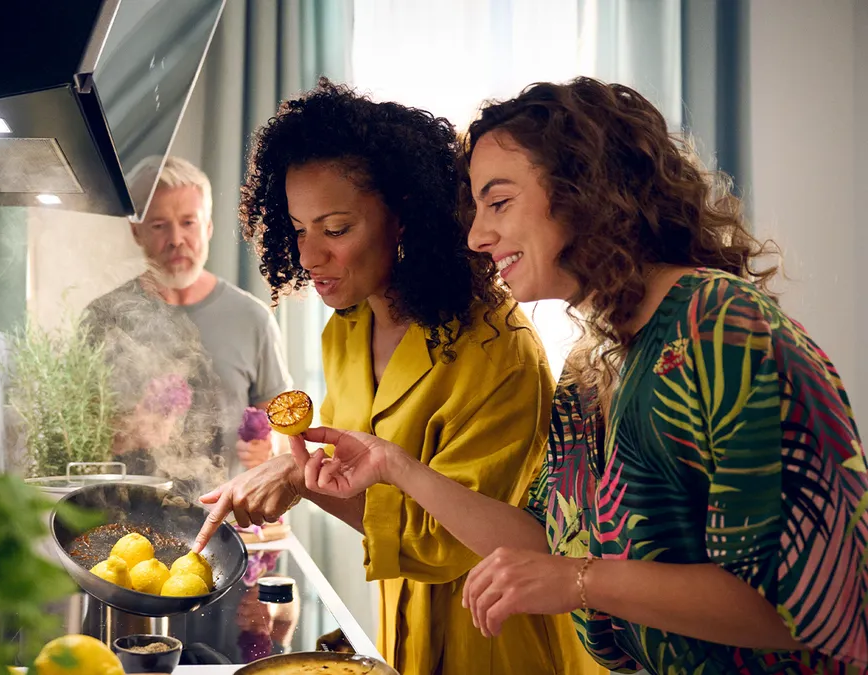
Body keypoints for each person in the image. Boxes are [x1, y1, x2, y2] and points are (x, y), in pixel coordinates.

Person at [292, 77, 868, 675]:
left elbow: (807, 608)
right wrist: (394, 466)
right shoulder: (594, 361)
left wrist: (581, 581)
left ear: (583, 191)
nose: (476, 235)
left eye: (499, 202)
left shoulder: (720, 326)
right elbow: (545, 538)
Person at [193, 79, 602, 675]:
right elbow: (355, 475)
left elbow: (444, 544)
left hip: (498, 635)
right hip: (403, 620)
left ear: (403, 219)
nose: (309, 257)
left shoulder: (496, 350)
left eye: (335, 230)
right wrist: (297, 466)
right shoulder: (346, 329)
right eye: (298, 228)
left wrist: (300, 480)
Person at [81, 156, 291, 480]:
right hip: (129, 519)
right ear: (136, 232)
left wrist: (271, 446)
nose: (176, 239)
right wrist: (126, 434)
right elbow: (73, 438)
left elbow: (282, 426)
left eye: (188, 222)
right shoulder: (102, 318)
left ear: (208, 227)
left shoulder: (253, 319)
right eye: (159, 225)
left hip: (229, 521)